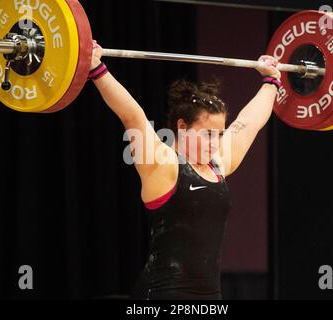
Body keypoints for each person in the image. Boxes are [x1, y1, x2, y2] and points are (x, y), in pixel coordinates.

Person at [89, 40, 281, 300]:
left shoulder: (218, 165)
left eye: (219, 134)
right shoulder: (163, 164)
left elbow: (249, 123)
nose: (215, 143)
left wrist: (271, 81)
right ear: (182, 127)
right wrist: (96, 67)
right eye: (207, 134)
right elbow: (132, 116)